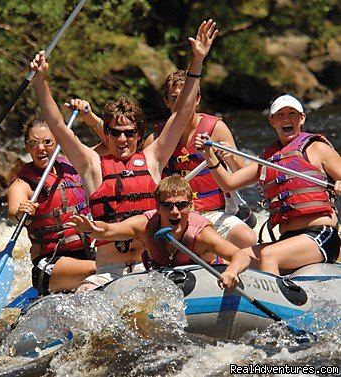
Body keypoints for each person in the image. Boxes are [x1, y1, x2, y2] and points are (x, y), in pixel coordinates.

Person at [30, 19, 219, 291]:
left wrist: (197, 60)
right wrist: (41, 81)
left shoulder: (154, 158)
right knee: (86, 294)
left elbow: (182, 113)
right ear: (105, 133)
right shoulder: (91, 164)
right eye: (115, 132)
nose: (122, 139)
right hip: (108, 272)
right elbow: (58, 126)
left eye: (129, 133)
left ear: (139, 135)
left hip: (151, 268)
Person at [194, 93, 341, 275]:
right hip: (287, 238)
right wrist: (208, 156)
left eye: (292, 114)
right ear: (272, 121)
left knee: (269, 255)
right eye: (280, 115)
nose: (287, 119)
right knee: (231, 259)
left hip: (320, 236)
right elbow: (229, 183)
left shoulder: (317, 148)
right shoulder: (268, 159)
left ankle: (272, 302)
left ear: (302, 118)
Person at [68, 175, 251, 289]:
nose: (175, 212)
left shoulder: (202, 233)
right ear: (157, 207)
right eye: (167, 206)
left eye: (181, 205)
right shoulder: (145, 225)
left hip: (203, 286)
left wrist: (231, 272)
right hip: (164, 284)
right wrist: (92, 229)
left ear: (191, 206)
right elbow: (109, 231)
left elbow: (240, 256)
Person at [143, 69, 257, 249]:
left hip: (214, 212)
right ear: (166, 102)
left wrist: (231, 160)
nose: (181, 105)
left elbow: (241, 174)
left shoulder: (216, 129)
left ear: (196, 99)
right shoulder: (155, 140)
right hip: (177, 215)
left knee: (247, 238)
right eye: (174, 98)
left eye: (186, 98)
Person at [7, 116, 96, 295]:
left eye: (47, 142)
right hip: (50, 263)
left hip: (88, 251)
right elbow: (14, 213)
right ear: (26, 147)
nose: (41, 148)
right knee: (102, 269)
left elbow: (112, 144)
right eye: (34, 143)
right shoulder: (23, 184)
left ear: (57, 142)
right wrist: (23, 212)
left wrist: (88, 116)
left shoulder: (74, 165)